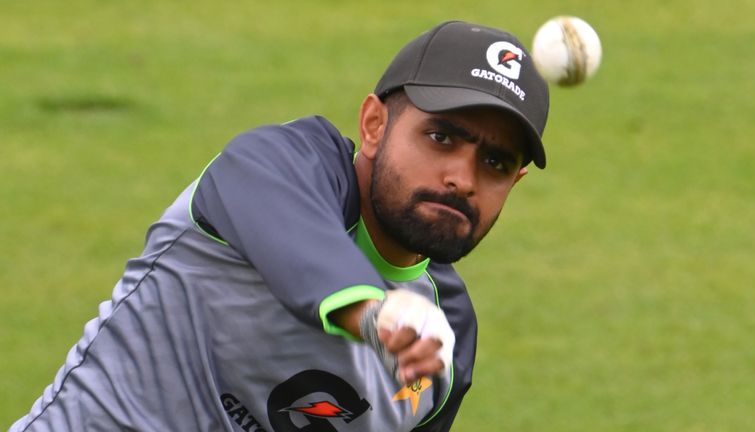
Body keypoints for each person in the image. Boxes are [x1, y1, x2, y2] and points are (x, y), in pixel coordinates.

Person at [11, 20, 549, 432]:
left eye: (495, 163)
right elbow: (293, 240)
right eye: (441, 138)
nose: (462, 178)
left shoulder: (448, 340)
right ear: (374, 125)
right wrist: (377, 315)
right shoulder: (279, 165)